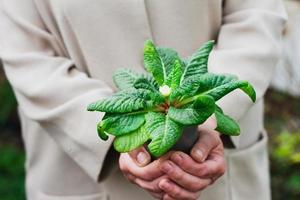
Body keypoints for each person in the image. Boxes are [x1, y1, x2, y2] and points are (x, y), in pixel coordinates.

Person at [0, 0, 286, 200]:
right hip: (82, 171)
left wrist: (204, 111)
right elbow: (27, 55)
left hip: (216, 158)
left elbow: (256, 14)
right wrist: (118, 131)